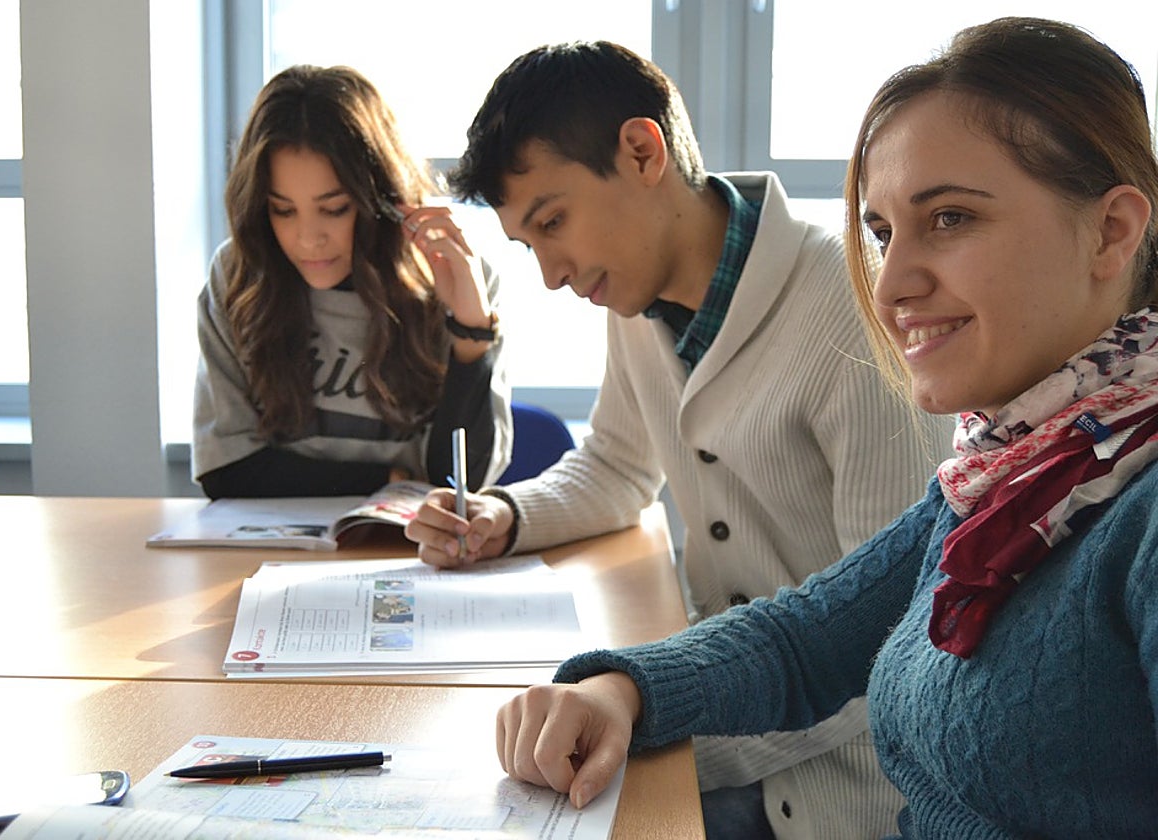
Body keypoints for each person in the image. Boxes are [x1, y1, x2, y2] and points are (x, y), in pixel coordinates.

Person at [494, 17, 1158, 838]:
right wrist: (621, 689)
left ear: (1113, 230)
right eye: (881, 234)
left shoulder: (1134, 506)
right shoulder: (1015, 469)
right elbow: (806, 639)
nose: (890, 287)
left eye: (950, 218)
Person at [404, 41, 954, 839]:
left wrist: (654, 736)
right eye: (528, 245)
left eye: (553, 222)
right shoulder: (635, 301)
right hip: (719, 709)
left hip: (839, 790)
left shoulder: (851, 311)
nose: (551, 274)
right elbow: (617, 468)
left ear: (642, 150)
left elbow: (884, 643)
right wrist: (505, 516)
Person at [192, 65, 512, 499]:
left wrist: (472, 333)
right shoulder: (238, 276)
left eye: (335, 208)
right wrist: (388, 481)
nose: (308, 238)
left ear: (380, 201)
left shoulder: (451, 280)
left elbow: (459, 484)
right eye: (283, 210)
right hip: (270, 554)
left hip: (411, 554)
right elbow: (227, 471)